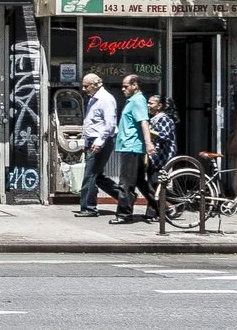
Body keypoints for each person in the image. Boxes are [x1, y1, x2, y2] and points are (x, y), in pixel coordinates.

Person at [74, 73, 119, 216]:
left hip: (100, 141)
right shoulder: (93, 99)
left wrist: (100, 141)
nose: (83, 88)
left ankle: (88, 207)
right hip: (92, 140)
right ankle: (125, 197)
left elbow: (110, 124)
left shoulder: (106, 99)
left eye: (86, 86)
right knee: (97, 176)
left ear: (95, 85)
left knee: (90, 174)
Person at [111, 73, 150, 223]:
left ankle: (124, 214)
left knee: (126, 183)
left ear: (135, 86)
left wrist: (148, 143)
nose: (123, 89)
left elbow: (144, 122)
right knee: (140, 181)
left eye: (126, 86)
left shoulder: (138, 100)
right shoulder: (132, 100)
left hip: (132, 146)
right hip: (130, 146)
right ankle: (161, 206)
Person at [142, 91, 180, 213]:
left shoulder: (164, 119)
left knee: (155, 183)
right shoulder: (154, 119)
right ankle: (153, 212)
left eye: (151, 103)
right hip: (154, 157)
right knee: (153, 184)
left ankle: (176, 202)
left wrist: (147, 131)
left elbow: (164, 136)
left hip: (162, 157)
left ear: (159, 106)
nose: (148, 105)